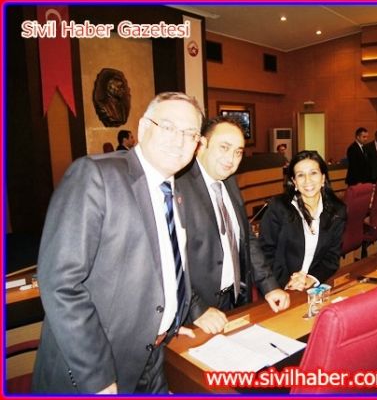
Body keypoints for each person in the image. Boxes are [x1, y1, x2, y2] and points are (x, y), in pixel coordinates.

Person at [32, 92, 203, 394]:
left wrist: (172, 322)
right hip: (97, 367)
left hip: (153, 356)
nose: (179, 140)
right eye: (168, 127)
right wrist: (97, 375)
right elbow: (60, 282)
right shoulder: (96, 175)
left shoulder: (176, 191)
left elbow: (164, 266)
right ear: (143, 127)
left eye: (190, 134)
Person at [177, 116, 289, 335]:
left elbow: (245, 238)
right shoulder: (178, 185)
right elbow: (168, 258)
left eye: (238, 152)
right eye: (224, 147)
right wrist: (196, 308)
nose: (231, 158)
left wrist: (269, 285)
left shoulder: (229, 181)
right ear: (201, 145)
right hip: (197, 314)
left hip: (236, 299)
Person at [259, 150, 347, 290]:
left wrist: (310, 279)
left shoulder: (337, 211)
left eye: (313, 173)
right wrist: (287, 282)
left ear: (323, 178)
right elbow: (264, 252)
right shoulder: (278, 208)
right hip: (279, 287)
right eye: (300, 175)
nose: (307, 180)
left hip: (313, 286)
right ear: (294, 181)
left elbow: (332, 257)